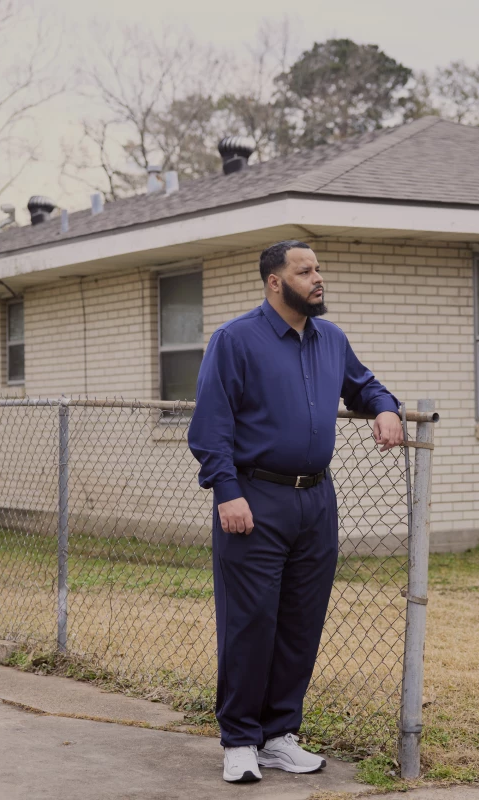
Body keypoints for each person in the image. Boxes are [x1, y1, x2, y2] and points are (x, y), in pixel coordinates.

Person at [188, 240, 403, 783]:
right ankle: (239, 739)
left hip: (316, 501)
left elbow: (364, 384)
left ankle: (280, 735)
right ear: (274, 282)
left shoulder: (331, 339)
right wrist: (226, 490)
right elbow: (211, 423)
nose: (317, 278)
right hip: (254, 498)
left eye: (318, 269)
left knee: (300, 622)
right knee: (250, 621)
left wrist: (386, 409)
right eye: (304, 271)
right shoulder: (235, 340)